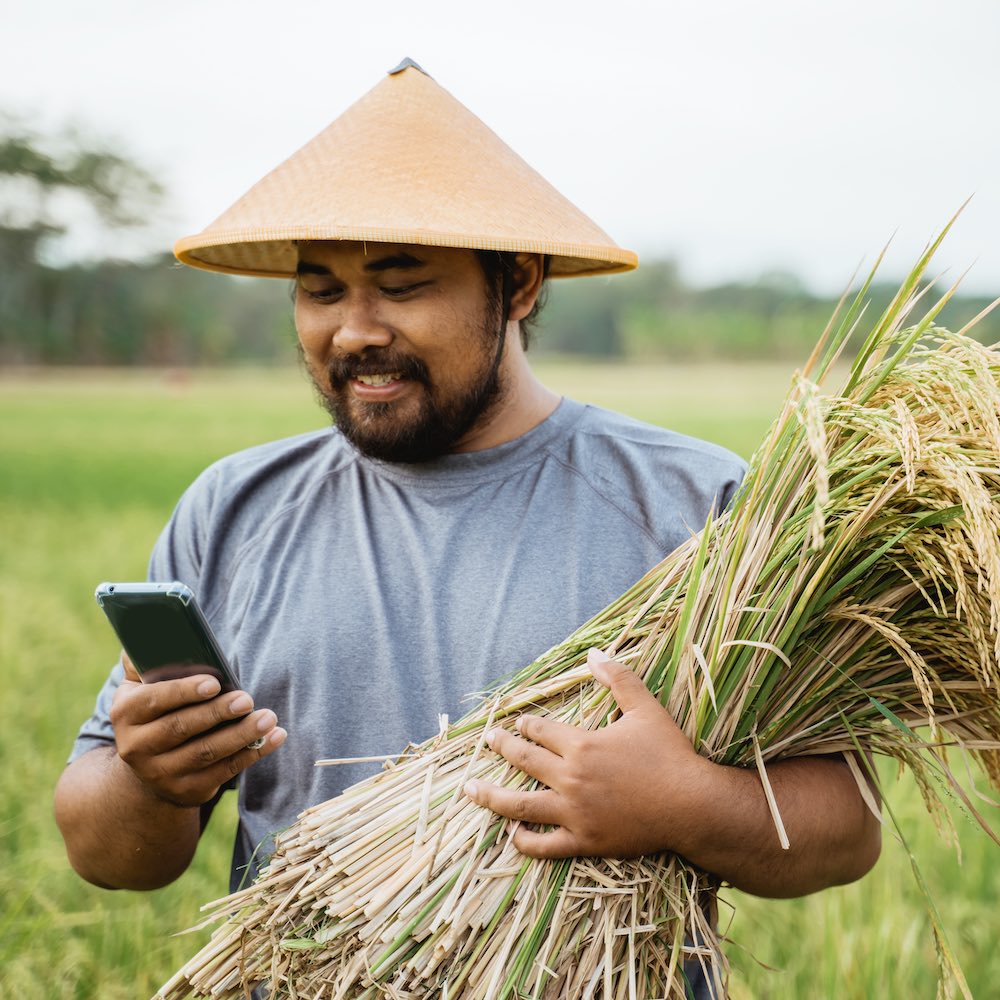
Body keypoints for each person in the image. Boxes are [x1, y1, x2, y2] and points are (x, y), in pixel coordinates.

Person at [54, 60, 880, 993]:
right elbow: (108, 850)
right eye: (320, 290)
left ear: (518, 283)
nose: (354, 330)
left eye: (401, 287)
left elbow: (841, 829)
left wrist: (680, 803)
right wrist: (151, 777)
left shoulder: (694, 506)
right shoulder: (235, 508)